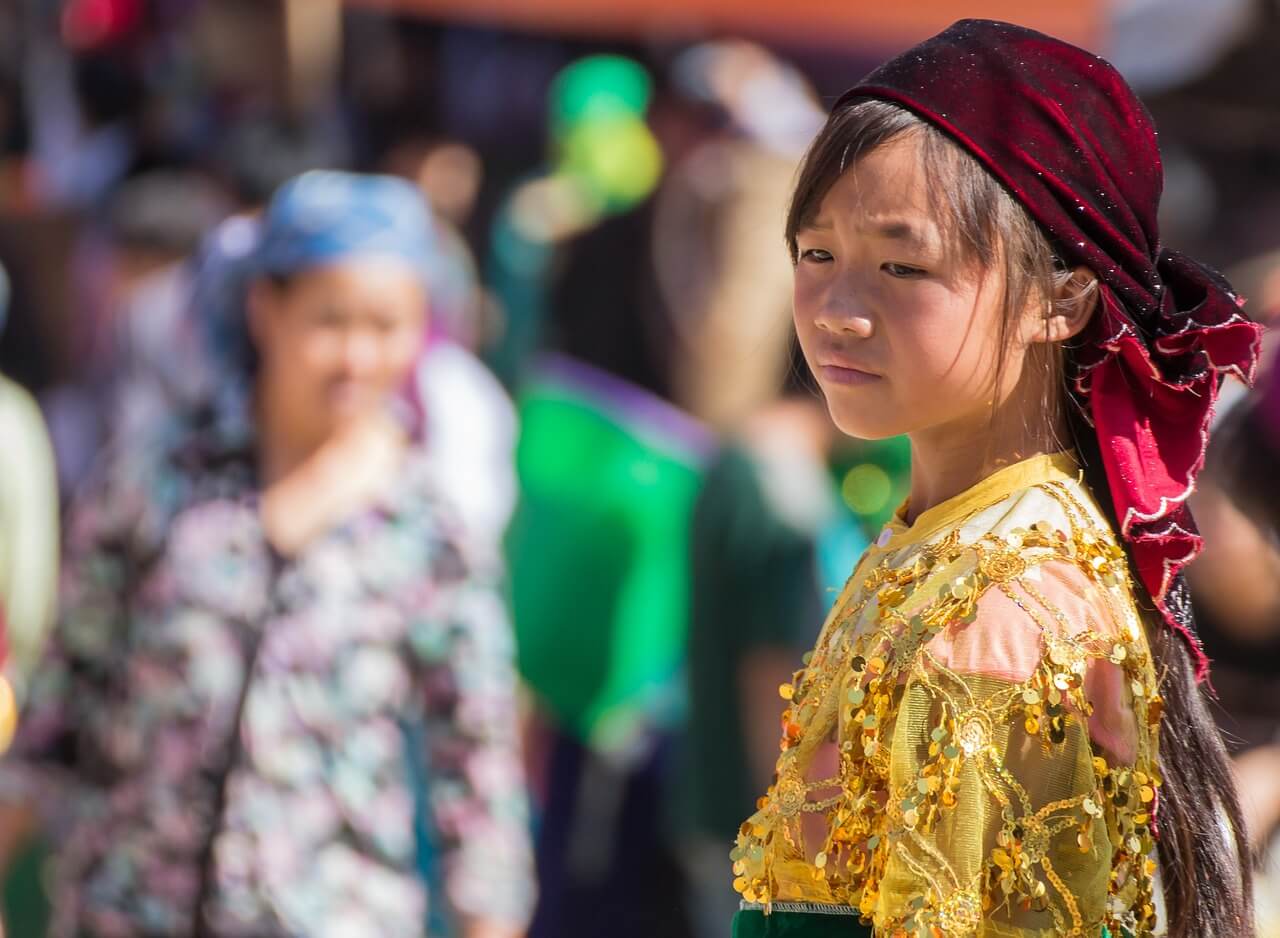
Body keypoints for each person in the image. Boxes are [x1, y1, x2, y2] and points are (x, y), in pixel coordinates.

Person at [729, 19, 1259, 938]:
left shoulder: (1003, 612)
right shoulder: (944, 542)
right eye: (817, 254)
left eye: (904, 265)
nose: (841, 311)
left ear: (1063, 299)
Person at [0, 172, 536, 938]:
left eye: (387, 326)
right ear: (265, 310)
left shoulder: (429, 529)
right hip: (127, 910)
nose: (356, 357)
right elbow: (60, 709)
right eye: (330, 321)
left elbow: (478, 779)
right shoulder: (158, 481)